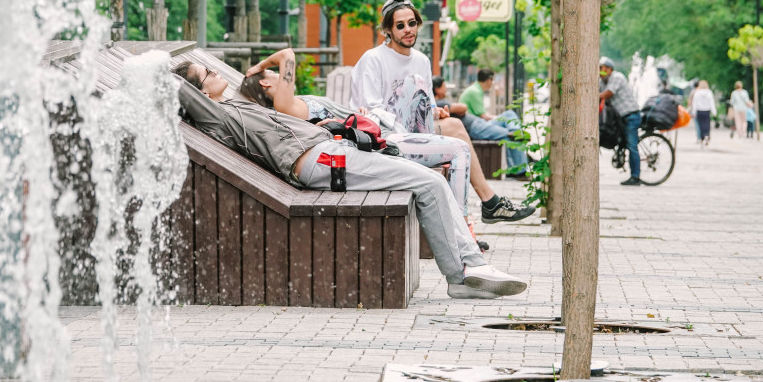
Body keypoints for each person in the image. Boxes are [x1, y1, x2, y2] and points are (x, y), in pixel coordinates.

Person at [171, 59, 527, 300]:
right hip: (322, 162)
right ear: (201, 92)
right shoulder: (217, 117)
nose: (218, 73)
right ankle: (464, 275)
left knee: (429, 181)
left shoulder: (235, 105)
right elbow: (178, 87)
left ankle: (469, 268)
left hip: (329, 151)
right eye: (208, 73)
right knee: (430, 184)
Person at [349, 0, 534, 224]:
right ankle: (469, 220)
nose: (408, 30)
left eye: (412, 23)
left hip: (415, 132)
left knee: (454, 125)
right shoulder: (373, 59)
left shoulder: (421, 61)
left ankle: (484, 207)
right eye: (400, 25)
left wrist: (436, 113)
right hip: (385, 140)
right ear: (387, 29)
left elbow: (428, 106)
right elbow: (371, 112)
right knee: (456, 145)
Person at [434, 76, 529, 178]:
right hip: (476, 128)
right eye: (444, 86)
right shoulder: (439, 104)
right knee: (510, 135)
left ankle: (518, 142)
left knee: (509, 115)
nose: (446, 89)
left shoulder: (441, 102)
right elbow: (463, 107)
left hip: (480, 123)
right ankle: (520, 171)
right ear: (437, 89)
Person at [599, 57, 642, 186]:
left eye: (601, 68)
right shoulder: (603, 81)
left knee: (631, 146)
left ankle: (635, 177)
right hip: (619, 118)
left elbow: (607, 94)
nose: (599, 71)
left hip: (630, 116)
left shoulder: (617, 77)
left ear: (609, 69)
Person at [458, 68, 522, 133]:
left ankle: (515, 133)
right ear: (489, 80)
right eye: (492, 81)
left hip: (474, 124)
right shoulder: (475, 91)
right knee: (509, 114)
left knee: (508, 116)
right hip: (477, 126)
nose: (492, 83)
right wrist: (500, 118)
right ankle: (516, 134)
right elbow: (483, 116)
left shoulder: (474, 89)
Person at [689, 79, 717, 147]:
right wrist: (714, 112)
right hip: (707, 111)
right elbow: (712, 102)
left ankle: (702, 138)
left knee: (701, 125)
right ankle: (706, 135)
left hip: (699, 111)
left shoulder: (697, 93)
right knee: (707, 124)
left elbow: (694, 103)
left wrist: (693, 112)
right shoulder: (709, 92)